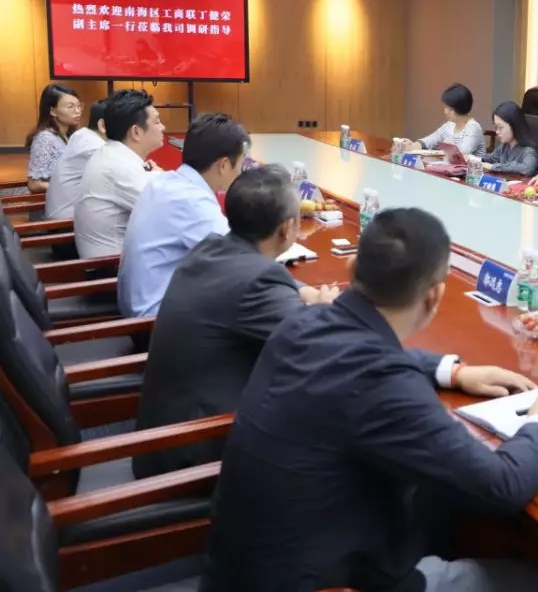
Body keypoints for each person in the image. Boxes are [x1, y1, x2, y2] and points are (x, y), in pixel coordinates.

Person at [200, 207, 538, 592]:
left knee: (435, 506)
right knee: (536, 581)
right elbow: (501, 487)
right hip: (322, 578)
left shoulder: (301, 322)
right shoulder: (385, 384)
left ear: (353, 269)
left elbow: (357, 354)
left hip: (239, 569)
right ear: (435, 296)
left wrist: (453, 372)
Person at [132, 165, 339, 480]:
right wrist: (325, 310)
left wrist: (303, 292)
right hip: (196, 459)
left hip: (163, 440)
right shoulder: (259, 281)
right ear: (288, 228)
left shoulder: (210, 248)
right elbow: (321, 346)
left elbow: (258, 287)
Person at [117, 113, 250, 318]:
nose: (240, 173)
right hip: (155, 321)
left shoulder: (165, 181)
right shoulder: (192, 201)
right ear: (224, 165)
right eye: (240, 164)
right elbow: (240, 261)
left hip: (141, 304)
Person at [73, 89, 164, 259]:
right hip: (111, 267)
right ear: (136, 132)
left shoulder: (112, 153)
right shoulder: (120, 167)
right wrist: (161, 176)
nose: (163, 127)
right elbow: (168, 212)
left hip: (114, 258)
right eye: (157, 122)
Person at [44, 99, 107, 221]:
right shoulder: (95, 147)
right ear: (102, 125)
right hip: (65, 223)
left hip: (63, 214)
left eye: (79, 106)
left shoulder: (82, 135)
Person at [401, 83, 486, 157]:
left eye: (450, 109)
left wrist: (434, 153)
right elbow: (430, 140)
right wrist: (413, 145)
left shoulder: (473, 128)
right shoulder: (449, 125)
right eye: (446, 107)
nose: (446, 112)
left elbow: (460, 153)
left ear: (461, 107)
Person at [26, 84, 82, 193]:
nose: (77, 111)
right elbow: (34, 184)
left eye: (79, 106)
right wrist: (71, 189)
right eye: (70, 107)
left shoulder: (71, 134)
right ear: (53, 111)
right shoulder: (45, 139)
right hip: (56, 199)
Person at [481, 101, 538, 176]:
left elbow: (527, 169)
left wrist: (492, 167)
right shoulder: (505, 145)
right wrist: (473, 158)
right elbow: (491, 158)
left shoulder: (530, 151)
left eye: (500, 127)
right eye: (496, 127)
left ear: (514, 125)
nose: (497, 132)